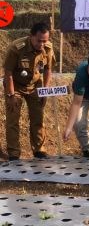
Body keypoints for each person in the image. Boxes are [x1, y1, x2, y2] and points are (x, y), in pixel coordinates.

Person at [3, 22, 55, 161]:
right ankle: (14, 153)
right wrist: (11, 95)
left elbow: (48, 69)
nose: (42, 44)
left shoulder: (48, 48)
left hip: (35, 86)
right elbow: (8, 72)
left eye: (45, 41)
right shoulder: (16, 48)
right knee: (13, 119)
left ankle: (39, 150)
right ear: (30, 36)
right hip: (16, 85)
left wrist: (45, 90)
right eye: (39, 41)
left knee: (38, 118)